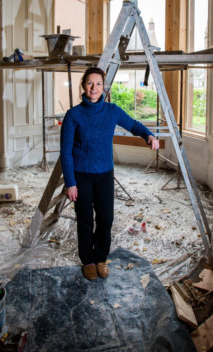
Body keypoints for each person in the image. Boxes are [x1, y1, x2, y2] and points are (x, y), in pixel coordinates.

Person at [60, 67, 159, 281]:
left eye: (98, 83)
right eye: (89, 83)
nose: (94, 88)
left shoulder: (112, 110)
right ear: (83, 86)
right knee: (85, 220)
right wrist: (70, 182)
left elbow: (133, 124)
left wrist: (148, 136)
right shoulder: (73, 115)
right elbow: (65, 151)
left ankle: (101, 258)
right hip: (81, 176)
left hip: (105, 175)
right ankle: (87, 260)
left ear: (103, 87)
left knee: (106, 219)